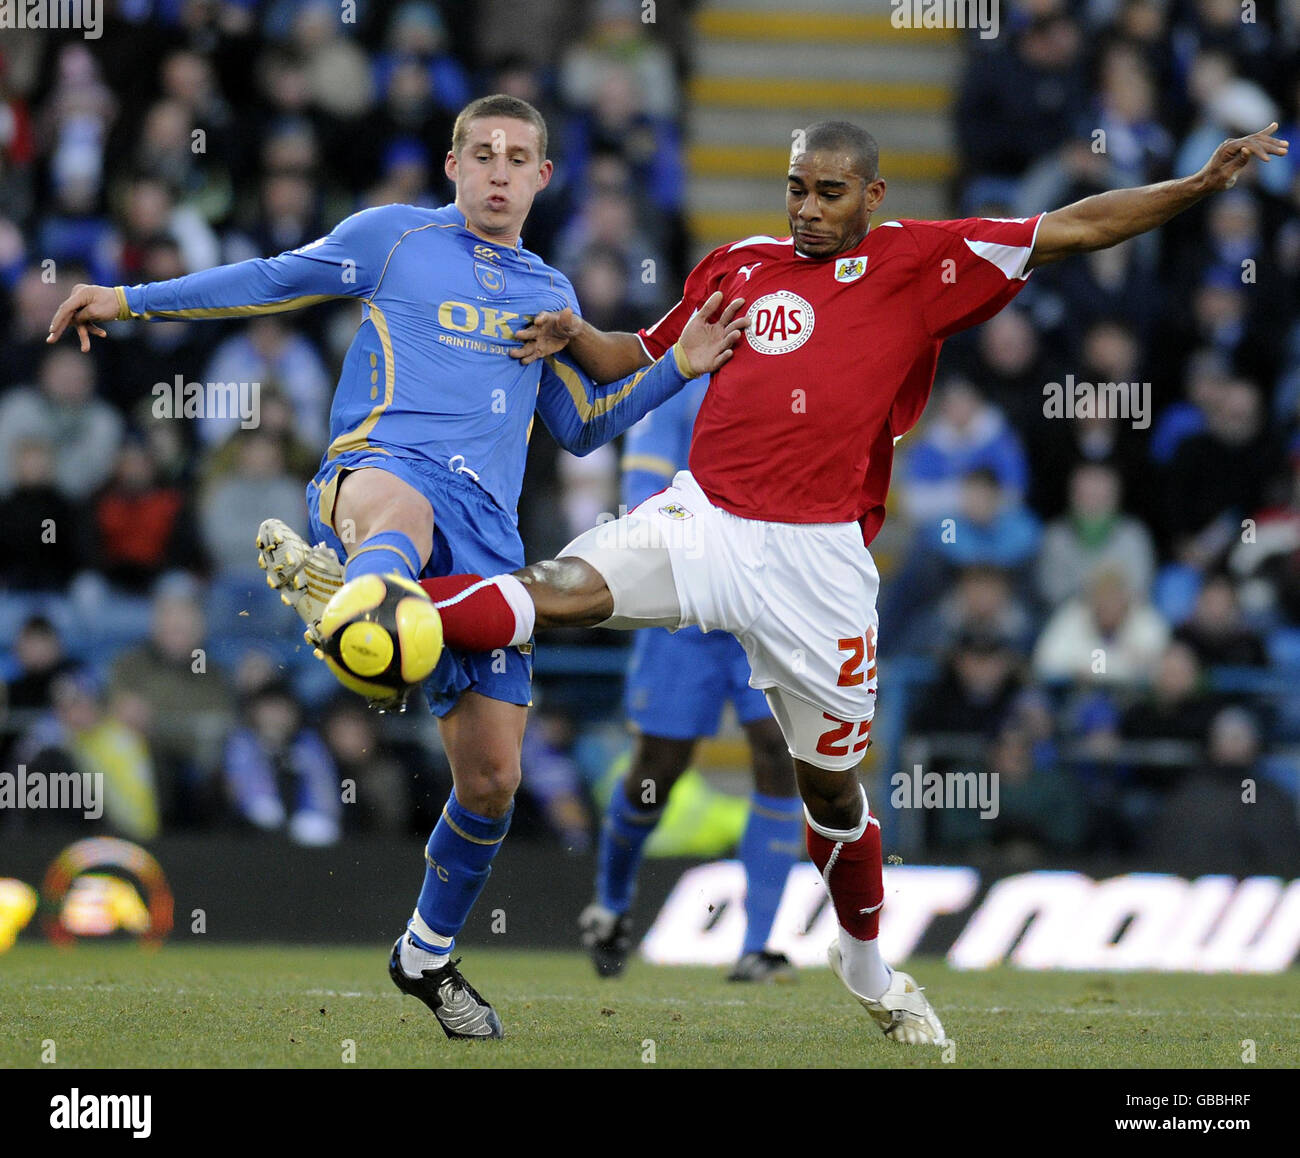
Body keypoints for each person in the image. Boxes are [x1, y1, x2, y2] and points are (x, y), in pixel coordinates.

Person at [371, 117, 1287, 1045]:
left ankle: (864, 961)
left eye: (830, 192)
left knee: (833, 796)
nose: (808, 210)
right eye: (797, 189)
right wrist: (576, 334)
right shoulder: (736, 265)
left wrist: (1197, 186)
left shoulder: (921, 263)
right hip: (709, 520)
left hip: (821, 566)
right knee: (554, 586)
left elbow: (1074, 228)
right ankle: (371, 604)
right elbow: (634, 359)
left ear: (874, 195)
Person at [44, 94, 746, 1042]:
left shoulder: (550, 294)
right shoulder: (394, 239)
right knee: (402, 514)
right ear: (452, 166)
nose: (499, 171)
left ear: (544, 177)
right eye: (482, 153)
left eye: (519, 157)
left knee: (493, 780)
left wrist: (680, 365)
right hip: (376, 476)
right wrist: (130, 300)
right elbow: (270, 280)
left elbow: (584, 429)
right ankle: (364, 592)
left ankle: (424, 952)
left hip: (487, 535)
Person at [579, 376, 803, 983]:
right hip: (686, 600)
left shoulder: (793, 374)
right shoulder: (680, 385)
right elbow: (638, 489)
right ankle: (611, 903)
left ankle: (758, 944)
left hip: (763, 597)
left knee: (781, 753)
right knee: (659, 768)